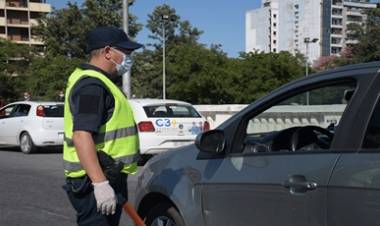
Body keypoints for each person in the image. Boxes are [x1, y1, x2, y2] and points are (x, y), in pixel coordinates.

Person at [62, 26, 143, 226]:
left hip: (104, 174)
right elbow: (82, 135)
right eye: (126, 52)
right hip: (94, 179)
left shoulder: (99, 82)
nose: (128, 58)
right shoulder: (92, 86)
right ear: (108, 52)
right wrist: (100, 184)